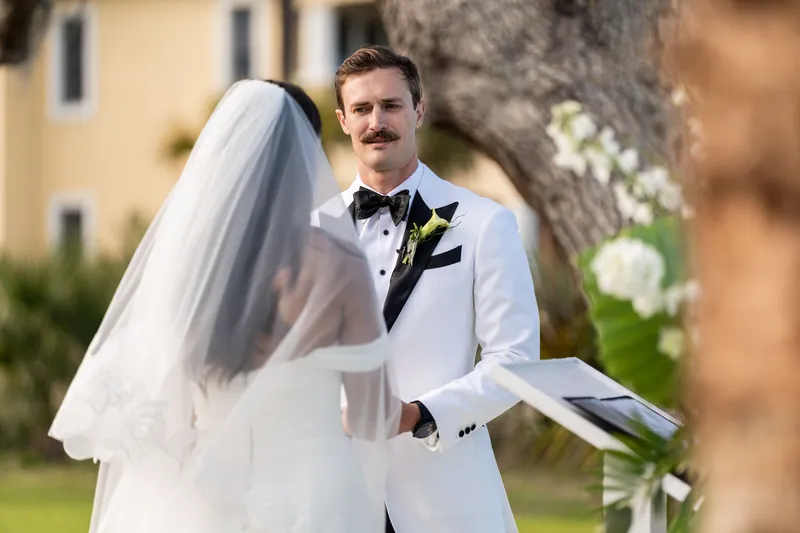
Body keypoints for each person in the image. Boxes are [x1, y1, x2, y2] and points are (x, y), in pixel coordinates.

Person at [48, 79, 401, 533]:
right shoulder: (338, 265)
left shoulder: (187, 268)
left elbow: (166, 406)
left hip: (203, 500)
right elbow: (373, 416)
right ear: (306, 158)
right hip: (313, 500)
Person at [333, 46, 540, 533]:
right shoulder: (311, 230)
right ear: (343, 120)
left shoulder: (484, 222)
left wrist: (420, 414)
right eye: (361, 109)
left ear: (419, 110)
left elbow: (516, 359)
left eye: (391, 105)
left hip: (446, 500)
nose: (376, 122)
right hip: (335, 496)